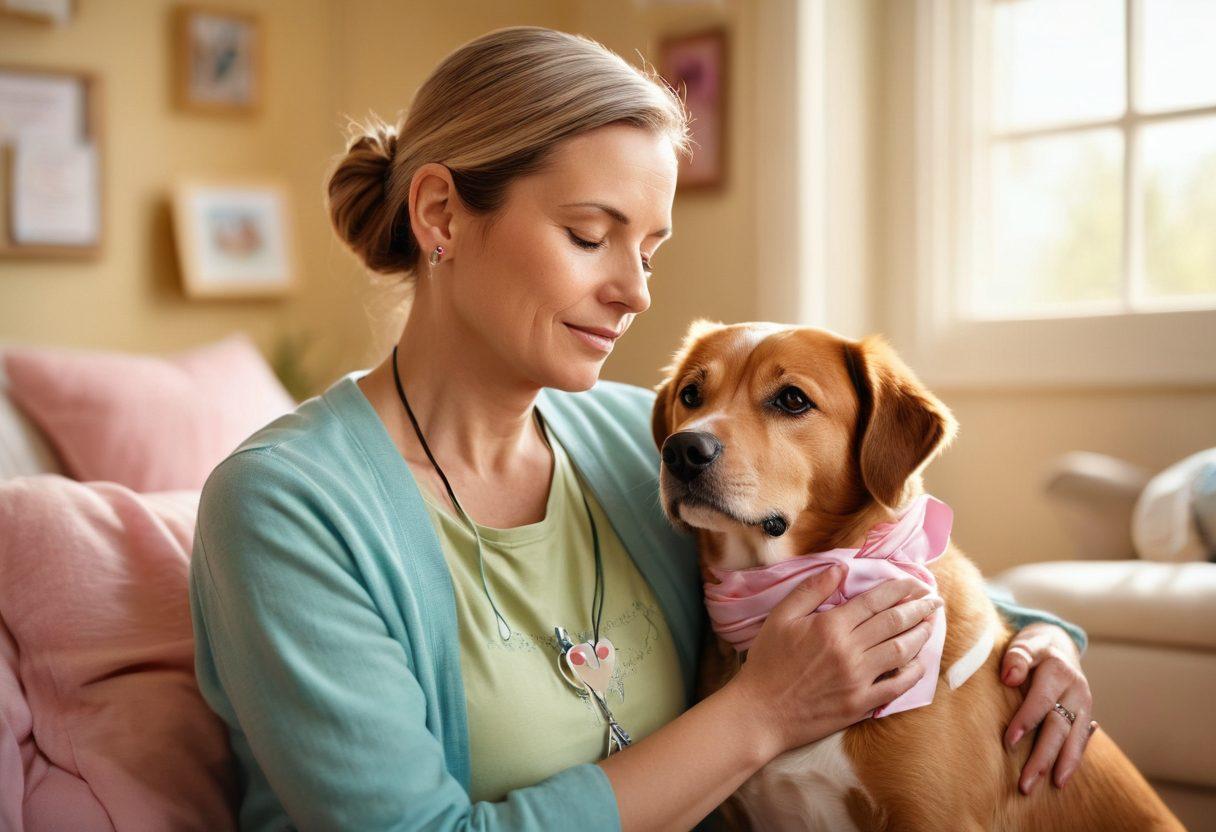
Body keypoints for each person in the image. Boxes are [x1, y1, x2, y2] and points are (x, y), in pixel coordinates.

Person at [188, 25, 1095, 832]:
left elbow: (860, 561)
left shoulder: (640, 440)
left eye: (648, 249)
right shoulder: (286, 507)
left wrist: (1040, 642)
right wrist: (760, 715)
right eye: (590, 235)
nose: (637, 292)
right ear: (440, 215)